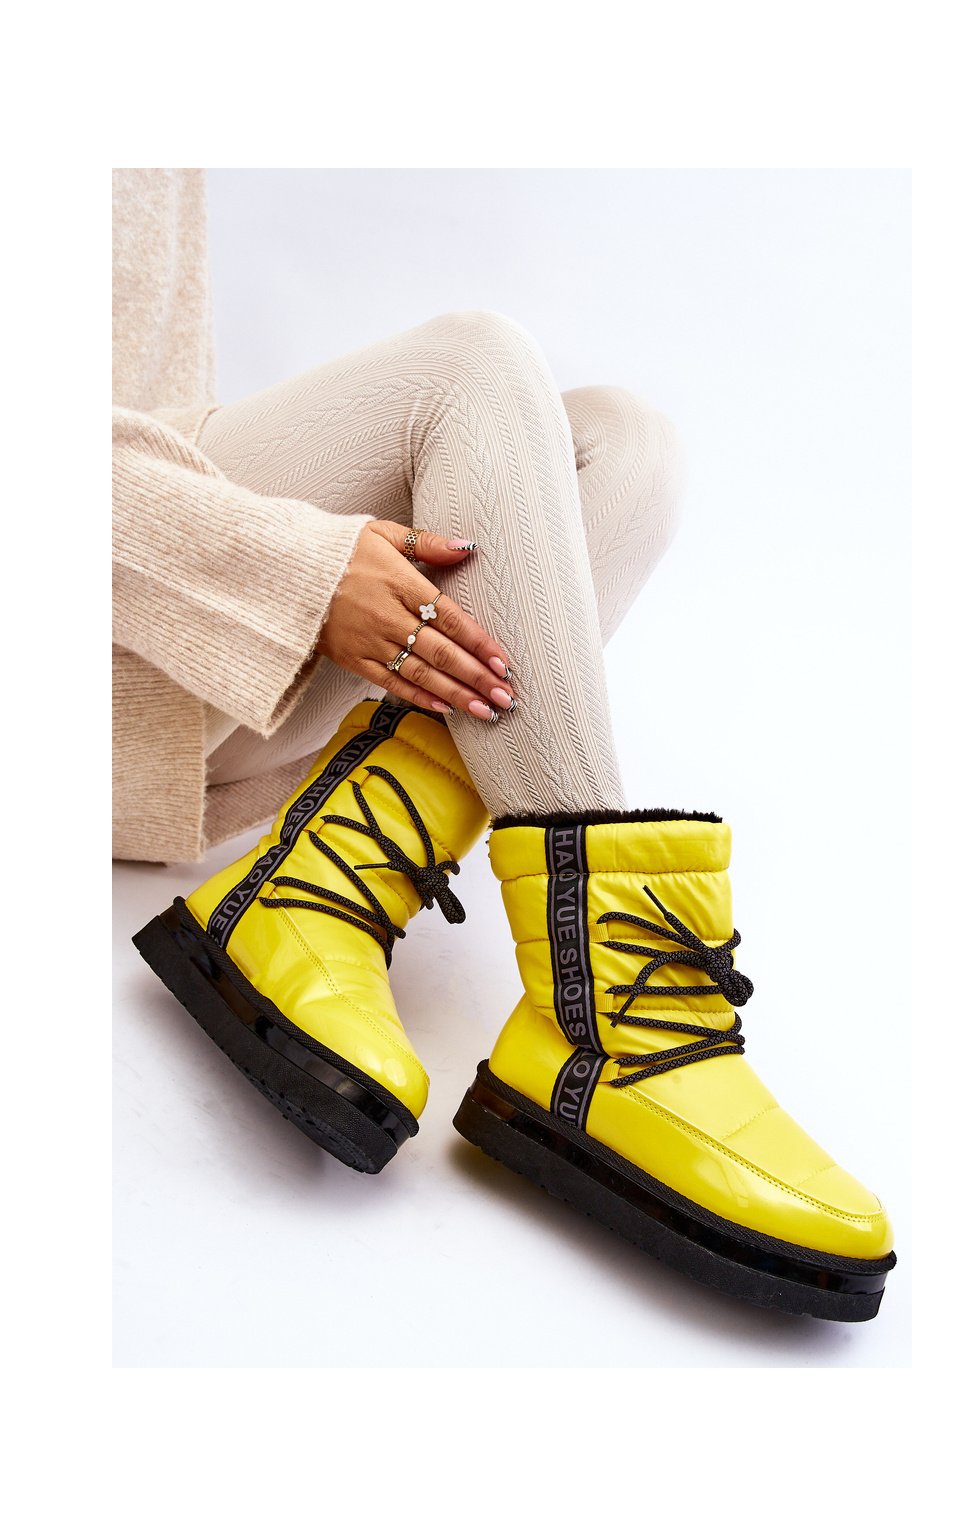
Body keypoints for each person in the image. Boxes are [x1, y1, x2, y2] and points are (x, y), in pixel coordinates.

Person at [116, 168, 895, 1321]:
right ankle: (617, 1022)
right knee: (469, 365)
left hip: (163, 615)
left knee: (626, 447)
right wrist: (279, 564)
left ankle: (320, 882)